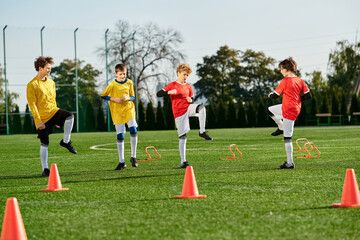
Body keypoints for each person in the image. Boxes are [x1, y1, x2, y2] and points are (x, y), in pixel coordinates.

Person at [27, 56, 77, 177]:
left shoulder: (51, 82)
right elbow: (32, 105)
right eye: (48, 68)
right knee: (44, 143)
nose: (50, 70)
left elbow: (52, 100)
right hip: (42, 119)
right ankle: (45, 169)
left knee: (70, 116)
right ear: (40, 68)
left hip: (53, 112)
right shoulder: (32, 85)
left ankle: (66, 141)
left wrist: (57, 118)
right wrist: (38, 121)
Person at [157, 63, 212, 168]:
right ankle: (183, 161)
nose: (185, 77)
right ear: (178, 73)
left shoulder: (188, 86)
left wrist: (191, 100)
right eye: (184, 74)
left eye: (187, 75)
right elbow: (158, 94)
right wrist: (169, 92)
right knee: (182, 136)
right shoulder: (172, 85)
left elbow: (192, 99)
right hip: (179, 113)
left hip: (188, 108)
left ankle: (202, 132)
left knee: (201, 108)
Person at [268, 57, 312, 169]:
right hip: (294, 108)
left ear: (287, 69)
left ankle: (290, 163)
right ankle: (280, 127)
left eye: (281, 69)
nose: (280, 71)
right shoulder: (300, 80)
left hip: (288, 110)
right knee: (270, 110)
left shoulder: (285, 81)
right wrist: (297, 99)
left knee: (287, 137)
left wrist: (270, 95)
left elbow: (275, 96)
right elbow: (308, 96)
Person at [101, 63, 138, 170]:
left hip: (128, 109)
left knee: (133, 129)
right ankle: (122, 162)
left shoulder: (129, 82)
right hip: (117, 112)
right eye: (121, 74)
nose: (123, 76)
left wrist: (128, 98)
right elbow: (103, 95)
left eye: (124, 74)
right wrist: (113, 99)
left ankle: (133, 157)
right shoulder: (112, 84)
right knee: (120, 136)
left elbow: (133, 96)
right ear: (116, 74)